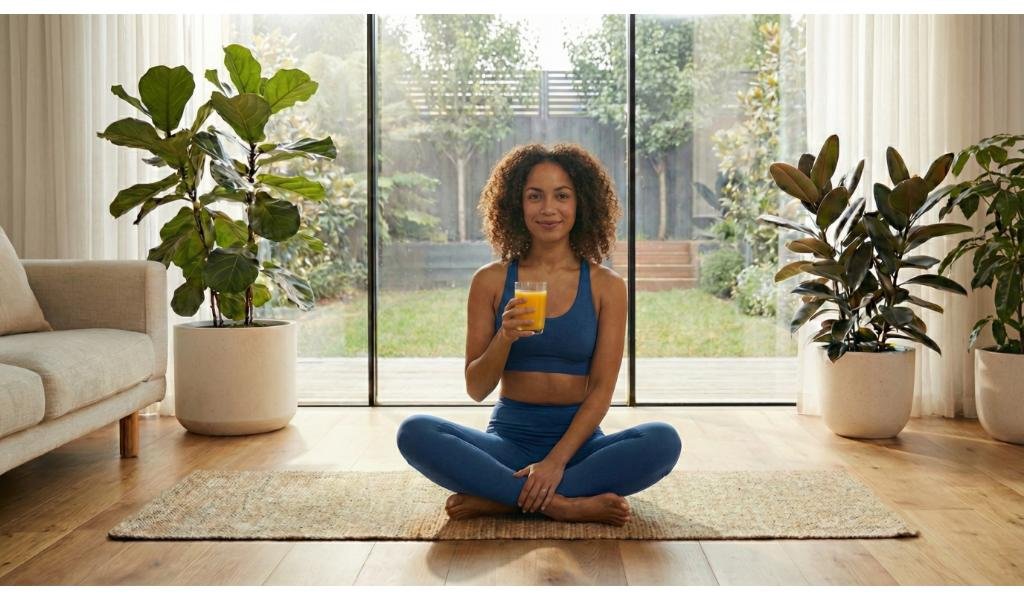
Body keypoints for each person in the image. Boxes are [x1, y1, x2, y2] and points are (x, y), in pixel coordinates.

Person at [396, 143, 682, 526]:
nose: (548, 209)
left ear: (581, 204)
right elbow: (476, 388)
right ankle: (563, 505)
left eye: (562, 196)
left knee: (663, 440)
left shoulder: (607, 286)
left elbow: (601, 391)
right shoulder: (490, 281)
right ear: (517, 204)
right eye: (535, 196)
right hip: (507, 442)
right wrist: (505, 336)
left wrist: (555, 462)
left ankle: (504, 498)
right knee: (414, 432)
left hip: (579, 446)